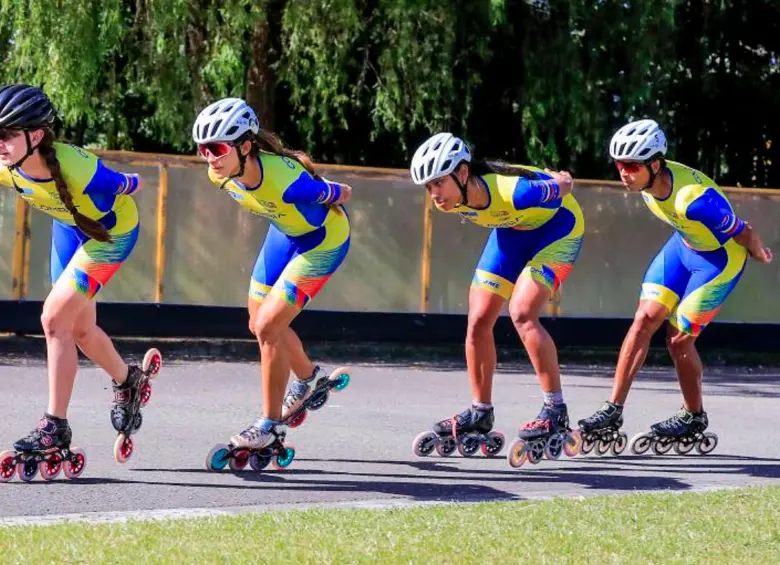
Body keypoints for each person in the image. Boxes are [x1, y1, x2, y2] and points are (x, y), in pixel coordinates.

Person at [577, 119, 773, 456]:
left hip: (719, 260)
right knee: (644, 319)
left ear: (655, 165)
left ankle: (693, 416)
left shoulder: (694, 200)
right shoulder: (649, 184)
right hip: (683, 247)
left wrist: (759, 253)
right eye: (619, 165)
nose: (623, 173)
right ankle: (612, 410)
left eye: (632, 166)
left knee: (679, 339)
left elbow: (745, 231)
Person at [0, 84, 159, 482]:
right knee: (80, 329)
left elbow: (129, 184)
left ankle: (55, 425)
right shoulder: (7, 165)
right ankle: (129, 381)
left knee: (54, 318)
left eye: (5, 135)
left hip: (110, 233)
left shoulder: (77, 165)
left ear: (35, 136)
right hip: (70, 229)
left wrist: (124, 183)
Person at [193, 98, 352, 469]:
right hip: (284, 233)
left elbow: (342, 193)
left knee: (269, 325)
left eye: (216, 148)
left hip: (323, 239)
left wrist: (330, 189)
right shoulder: (219, 174)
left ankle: (269, 424)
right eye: (202, 149)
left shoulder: (286, 179)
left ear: (245, 146)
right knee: (258, 325)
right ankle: (308, 378)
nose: (209, 158)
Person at [409, 132, 585, 468]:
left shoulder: (513, 191)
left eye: (438, 183)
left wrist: (561, 179)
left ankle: (555, 408)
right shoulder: (459, 196)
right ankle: (480, 411)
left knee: (522, 312)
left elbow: (563, 187)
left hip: (558, 229)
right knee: (477, 320)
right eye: (427, 187)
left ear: (463, 174)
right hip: (513, 230)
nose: (434, 194)